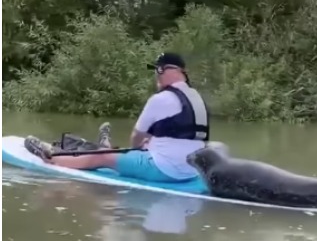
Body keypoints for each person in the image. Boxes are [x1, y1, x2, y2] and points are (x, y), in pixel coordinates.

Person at [24, 52, 211, 183]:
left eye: (158, 70)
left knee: (104, 157)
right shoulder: (198, 97)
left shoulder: (160, 99)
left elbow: (136, 138)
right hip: (192, 171)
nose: (156, 75)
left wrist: (139, 148)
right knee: (134, 149)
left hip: (167, 171)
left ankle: (50, 158)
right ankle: (105, 141)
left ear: (168, 70)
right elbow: (181, 134)